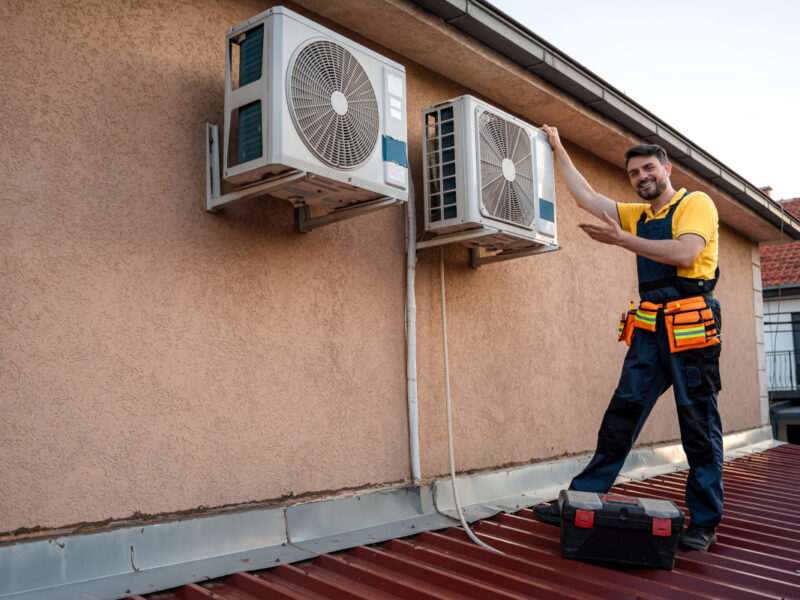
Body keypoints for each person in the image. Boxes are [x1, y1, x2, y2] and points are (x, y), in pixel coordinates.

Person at [533, 126, 723, 552]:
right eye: (634, 173)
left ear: (667, 168)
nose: (641, 177)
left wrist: (621, 241)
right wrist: (559, 147)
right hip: (651, 327)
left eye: (648, 168)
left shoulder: (695, 203)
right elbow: (586, 197)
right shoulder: (641, 215)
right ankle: (582, 498)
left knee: (698, 425)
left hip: (691, 325)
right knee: (621, 415)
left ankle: (705, 522)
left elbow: (685, 253)